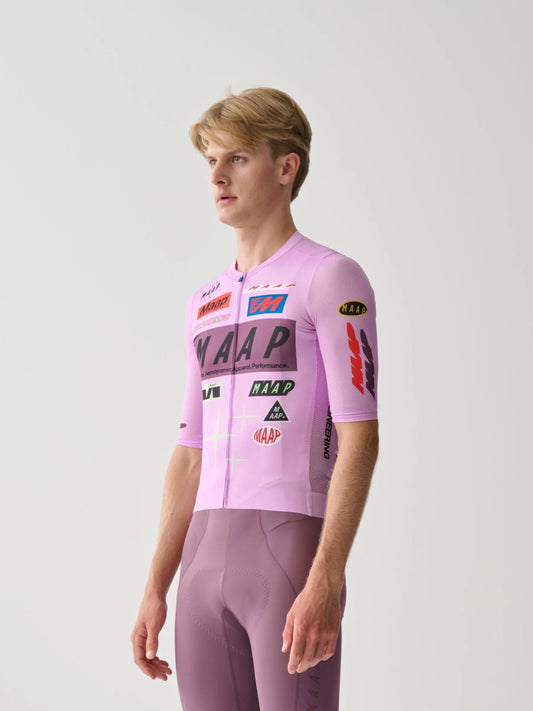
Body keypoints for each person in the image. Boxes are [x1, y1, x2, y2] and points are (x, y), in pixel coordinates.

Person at [131, 87, 379, 710]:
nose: (217, 176)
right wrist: (156, 585)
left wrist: (327, 577)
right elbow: (189, 453)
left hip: (288, 556)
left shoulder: (330, 277)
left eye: (237, 158)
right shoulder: (203, 302)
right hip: (200, 563)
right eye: (211, 161)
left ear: (286, 166)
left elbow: (361, 437)